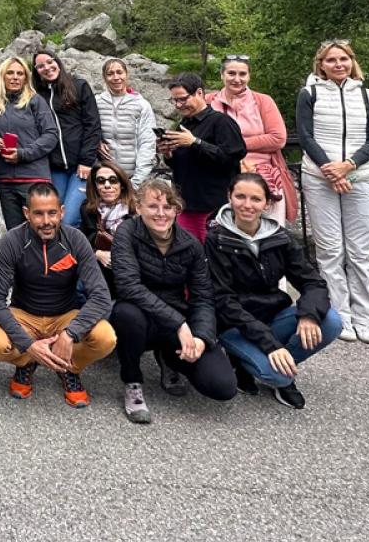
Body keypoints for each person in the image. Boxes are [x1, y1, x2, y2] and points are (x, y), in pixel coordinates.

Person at [205, 173, 343, 409]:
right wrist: (271, 345)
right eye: (240, 196)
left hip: (272, 314)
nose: (247, 205)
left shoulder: (281, 237)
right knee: (277, 375)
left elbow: (313, 282)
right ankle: (248, 363)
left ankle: (277, 361)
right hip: (234, 325)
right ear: (229, 197)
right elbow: (224, 301)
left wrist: (309, 314)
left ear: (267, 203)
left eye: (255, 199)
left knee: (330, 321)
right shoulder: (216, 239)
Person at [109, 178, 237, 424]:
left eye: (168, 207)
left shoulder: (190, 245)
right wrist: (179, 323)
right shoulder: (127, 232)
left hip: (177, 321)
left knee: (222, 386)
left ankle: (169, 359)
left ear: (177, 210)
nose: (161, 213)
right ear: (138, 208)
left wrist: (201, 337)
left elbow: (203, 297)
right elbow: (128, 286)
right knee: (126, 314)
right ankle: (133, 381)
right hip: (141, 317)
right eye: (153, 206)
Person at [0, 182, 116, 408]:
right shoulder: (12, 241)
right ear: (27, 214)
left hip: (65, 316)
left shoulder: (76, 239)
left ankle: (69, 367)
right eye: (39, 214)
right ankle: (27, 362)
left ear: (62, 211)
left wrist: (70, 333)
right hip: (25, 315)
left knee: (106, 337)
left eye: (52, 213)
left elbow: (101, 296)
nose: (46, 221)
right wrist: (28, 345)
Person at [295, 40, 369, 344]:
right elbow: (305, 136)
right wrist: (329, 170)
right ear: (321, 64)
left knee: (361, 251)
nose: (338, 64)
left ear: (352, 61)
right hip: (319, 177)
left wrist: (347, 166)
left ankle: (366, 317)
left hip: (360, 177)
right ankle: (340, 314)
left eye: (343, 59)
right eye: (331, 60)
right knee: (331, 249)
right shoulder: (310, 94)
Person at [205, 55, 299, 225]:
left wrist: (232, 146)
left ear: (249, 76)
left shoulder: (263, 101)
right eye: (231, 73)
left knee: (268, 230)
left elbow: (278, 138)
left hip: (262, 174)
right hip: (218, 176)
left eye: (242, 74)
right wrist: (256, 141)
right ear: (222, 75)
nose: (237, 79)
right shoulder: (208, 101)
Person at [158, 73, 246, 241]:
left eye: (183, 99)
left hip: (214, 207)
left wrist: (195, 142)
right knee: (189, 257)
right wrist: (168, 153)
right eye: (174, 100)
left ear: (199, 93)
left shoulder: (221, 122)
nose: (178, 105)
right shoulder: (182, 124)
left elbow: (232, 158)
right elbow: (181, 163)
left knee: (216, 258)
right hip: (186, 204)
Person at [31, 50, 102, 228]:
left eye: (49, 62)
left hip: (81, 166)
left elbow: (92, 125)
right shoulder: (38, 96)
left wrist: (87, 160)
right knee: (53, 218)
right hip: (55, 169)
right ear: (36, 71)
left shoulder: (79, 86)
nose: (47, 68)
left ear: (58, 62)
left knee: (69, 218)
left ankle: (76, 254)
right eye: (40, 66)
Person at [0, 56, 58, 231]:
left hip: (34, 178)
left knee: (41, 230)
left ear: (26, 78)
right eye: (10, 73)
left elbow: (51, 135)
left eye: (20, 74)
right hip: (5, 182)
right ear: (2, 77)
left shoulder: (35, 101)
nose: (15, 77)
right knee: (16, 234)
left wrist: (23, 153)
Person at [97, 58, 156, 189]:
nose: (116, 77)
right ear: (104, 77)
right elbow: (88, 131)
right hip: (104, 178)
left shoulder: (141, 105)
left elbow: (147, 143)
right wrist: (97, 142)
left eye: (119, 72)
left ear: (126, 74)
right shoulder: (96, 102)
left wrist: (136, 182)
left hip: (132, 176)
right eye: (110, 73)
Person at [79, 161, 134, 286]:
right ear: (95, 186)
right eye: (101, 181)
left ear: (122, 185)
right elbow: (82, 241)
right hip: (99, 271)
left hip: (130, 271)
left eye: (113, 180)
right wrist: (97, 254)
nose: (107, 185)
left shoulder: (135, 210)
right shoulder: (88, 209)